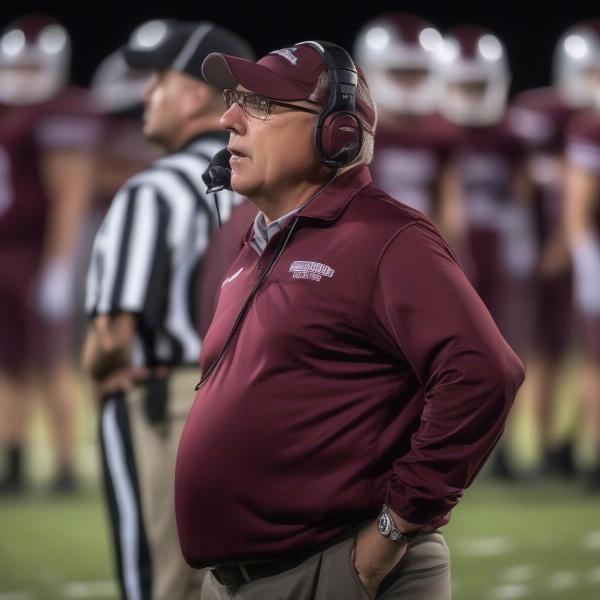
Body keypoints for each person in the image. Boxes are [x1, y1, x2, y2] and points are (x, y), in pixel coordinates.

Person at [174, 41, 525, 600]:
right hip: (240, 579)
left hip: (334, 571)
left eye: (260, 104)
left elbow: (484, 373)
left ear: (334, 133)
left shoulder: (386, 237)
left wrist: (395, 527)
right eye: (234, 100)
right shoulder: (258, 243)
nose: (229, 119)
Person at [82, 20, 253, 600]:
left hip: (167, 400)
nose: (145, 95)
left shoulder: (152, 191)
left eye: (158, 80)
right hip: (262, 398)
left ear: (200, 93)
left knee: (160, 581)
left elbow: (112, 334)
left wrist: (100, 374)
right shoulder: (274, 187)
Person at [0, 14, 99, 494]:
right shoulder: (10, 111)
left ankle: (64, 466)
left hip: (38, 252)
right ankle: (14, 461)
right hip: (6, 251)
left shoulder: (62, 110)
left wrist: (58, 265)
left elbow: (71, 193)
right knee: (8, 362)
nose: (23, 77)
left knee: (50, 360)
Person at [506, 21, 600, 478]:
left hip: (572, 247)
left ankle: (571, 445)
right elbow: (518, 184)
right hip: (546, 250)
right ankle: (543, 448)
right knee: (543, 348)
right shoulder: (539, 114)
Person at [354, 13, 457, 224]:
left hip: (422, 241)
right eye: (400, 71)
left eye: (418, 72)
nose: (410, 81)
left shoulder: (441, 131)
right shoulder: (354, 130)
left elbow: (451, 212)